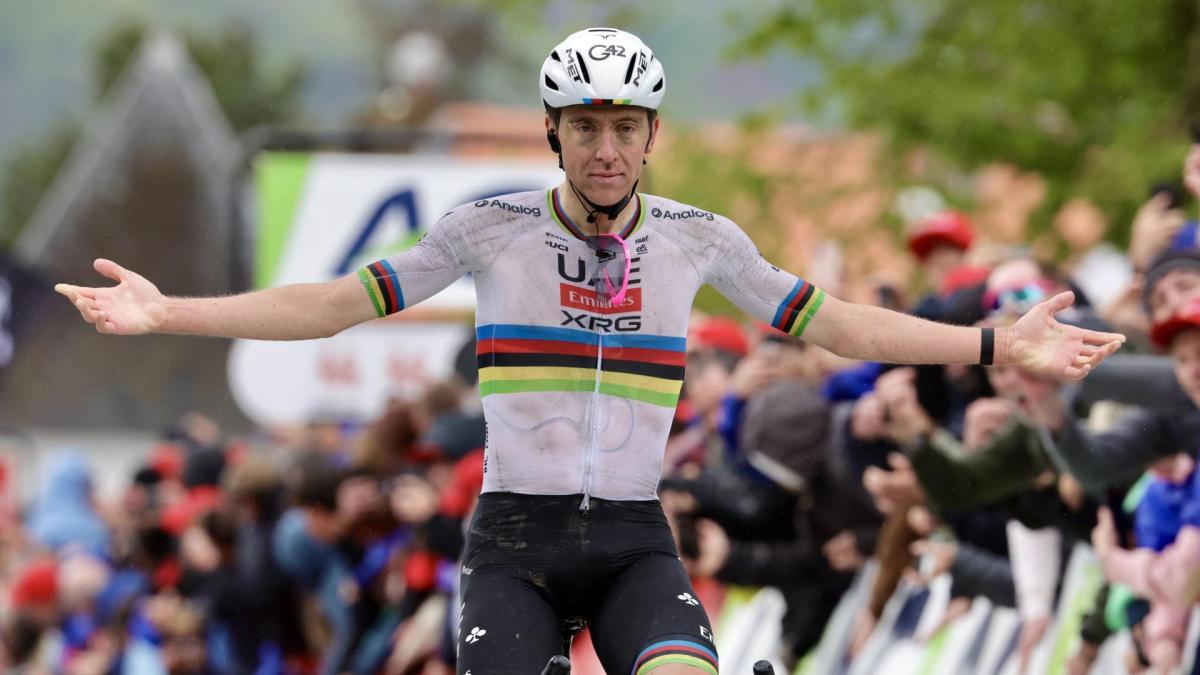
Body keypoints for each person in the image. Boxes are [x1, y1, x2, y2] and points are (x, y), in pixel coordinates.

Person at [56, 27, 1125, 675]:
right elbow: (334, 304)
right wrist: (170, 312)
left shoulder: (701, 239)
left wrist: (995, 341)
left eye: (625, 127)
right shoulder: (490, 230)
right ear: (552, 131)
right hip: (513, 543)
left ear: (652, 134)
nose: (606, 148)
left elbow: (838, 323)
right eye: (585, 125)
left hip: (630, 537)